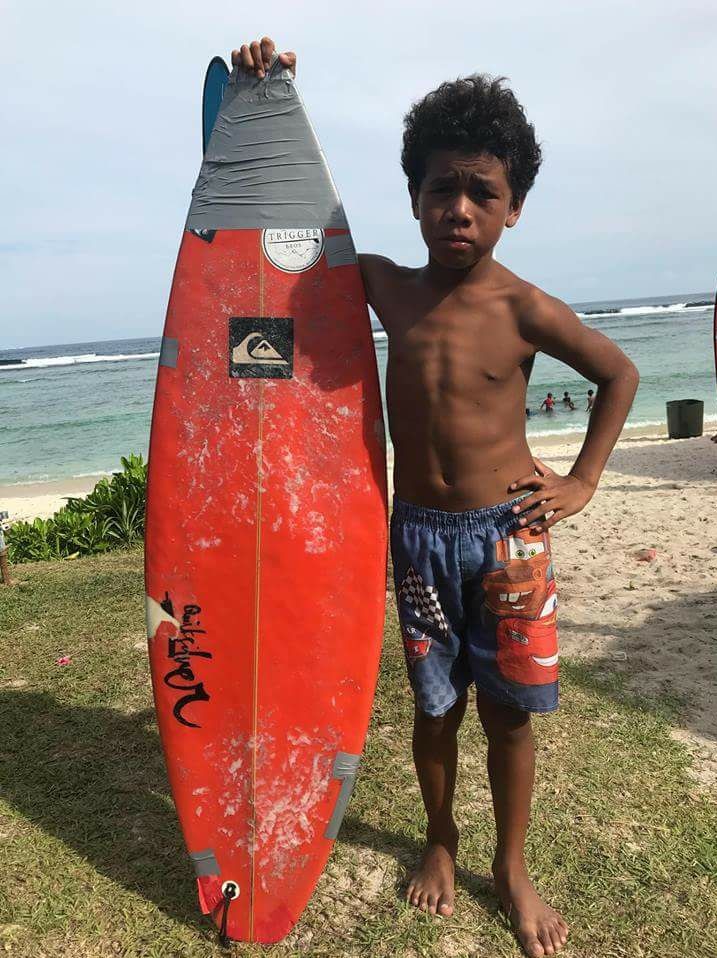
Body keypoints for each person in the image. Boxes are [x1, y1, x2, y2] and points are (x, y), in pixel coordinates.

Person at [235, 40, 639, 958]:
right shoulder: (385, 285)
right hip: (416, 536)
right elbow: (276, 252)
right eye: (438, 188)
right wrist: (265, 96)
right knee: (432, 708)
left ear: (514, 207)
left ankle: (512, 864)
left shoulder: (523, 306)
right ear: (413, 194)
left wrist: (579, 481)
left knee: (506, 713)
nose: (457, 208)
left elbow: (617, 374)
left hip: (508, 538)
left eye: (481, 193)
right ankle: (439, 839)